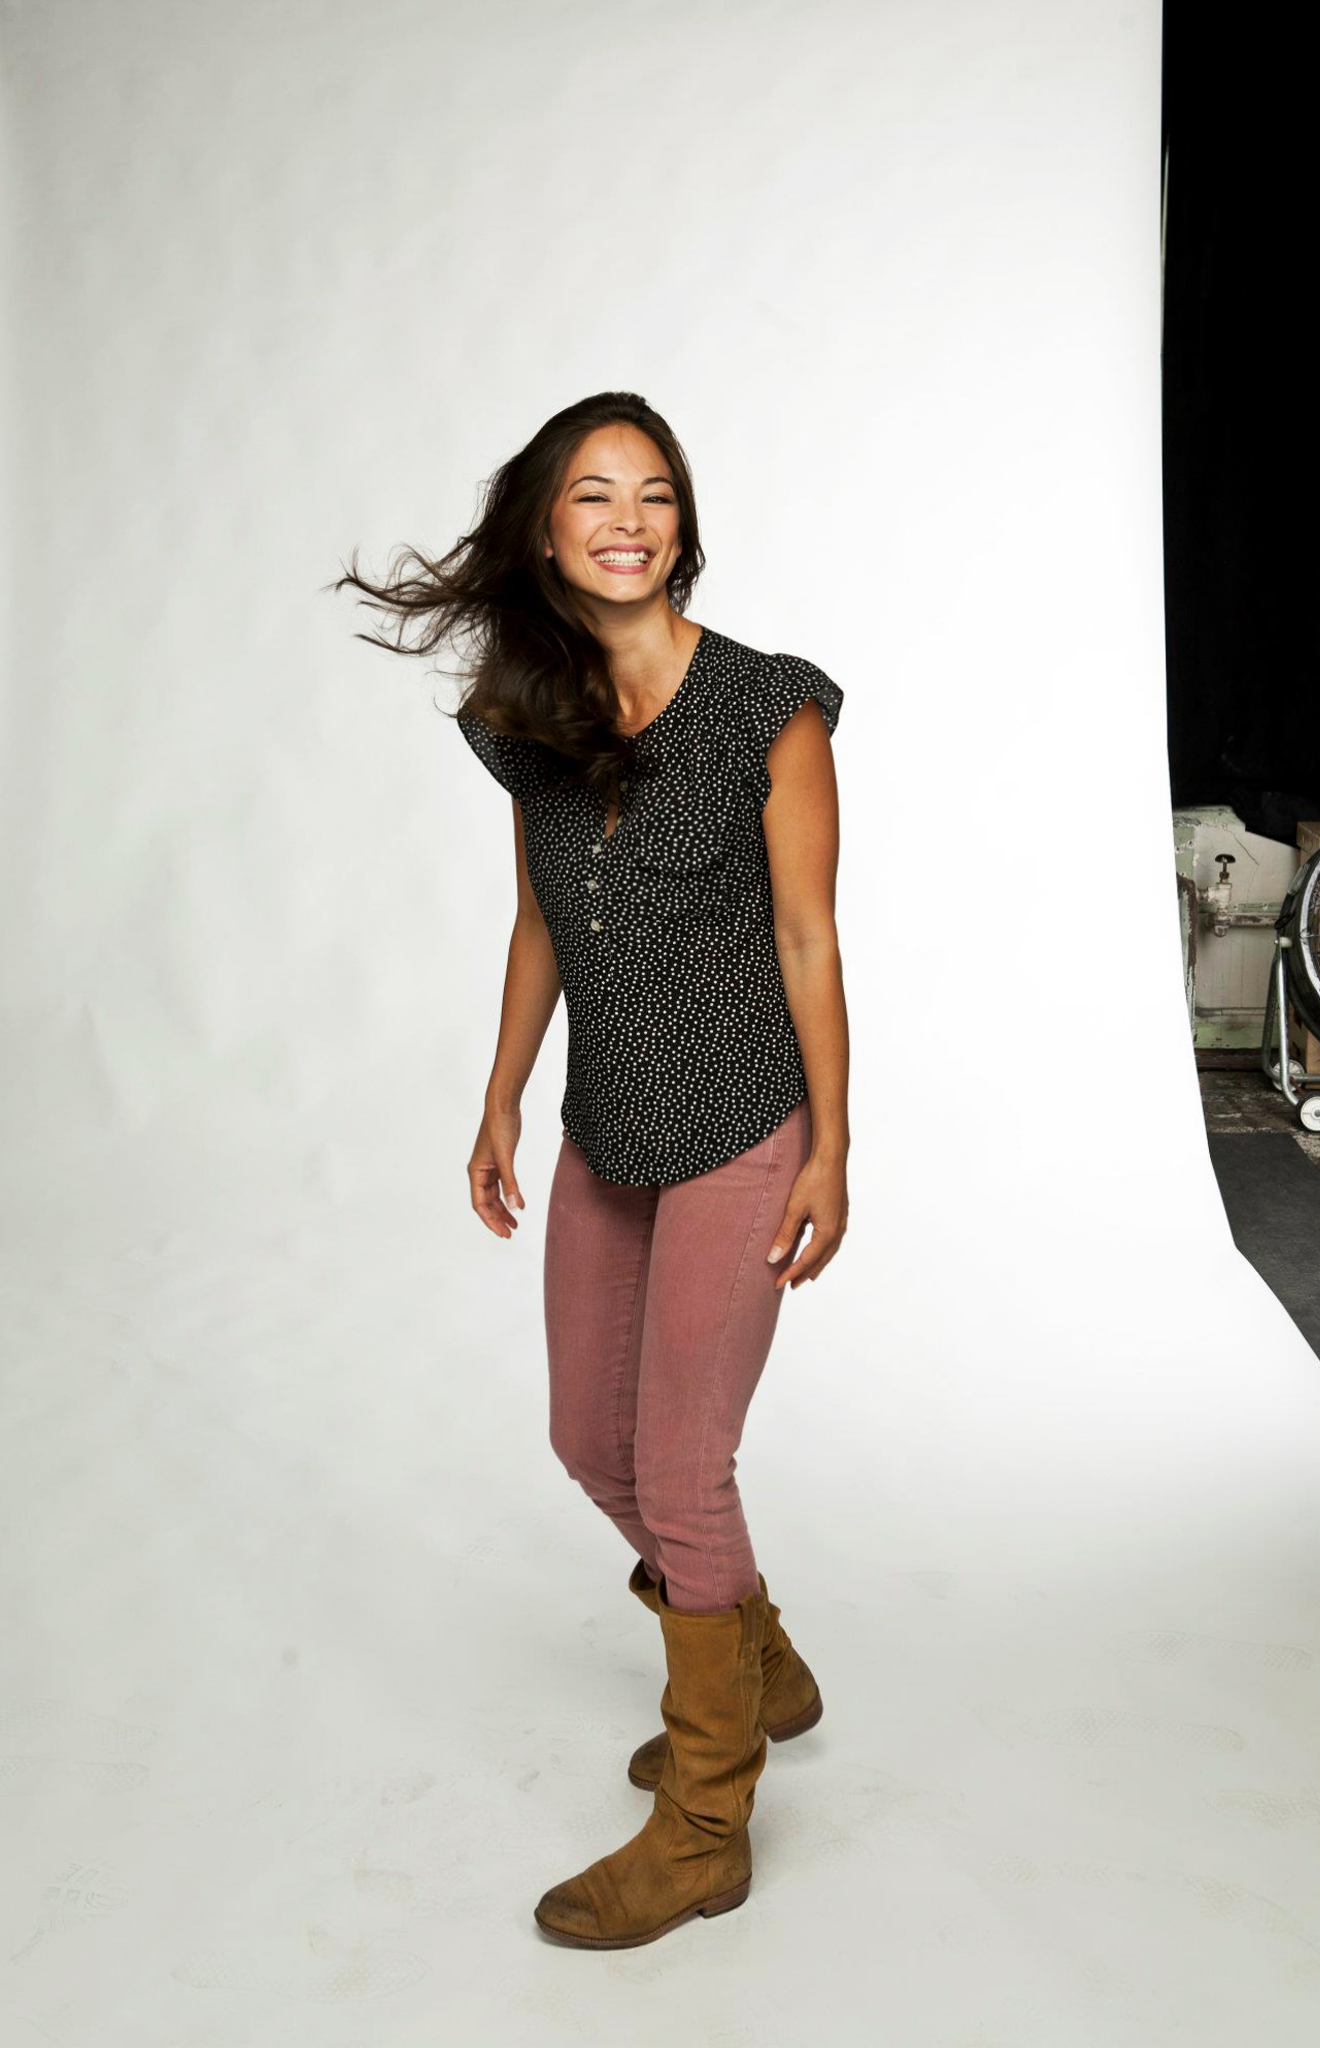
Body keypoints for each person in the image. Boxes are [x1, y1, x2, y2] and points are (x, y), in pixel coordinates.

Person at [334, 390, 850, 1949]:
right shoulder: (531, 715)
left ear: (682, 527)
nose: (627, 520)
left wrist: (833, 1145)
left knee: (680, 1467)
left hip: (741, 1121)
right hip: (606, 1121)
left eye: (653, 494)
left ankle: (703, 1826)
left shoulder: (768, 707)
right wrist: (497, 1096)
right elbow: (541, 920)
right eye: (592, 495)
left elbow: (807, 937)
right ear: (547, 530)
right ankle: (755, 1665)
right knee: (587, 1439)